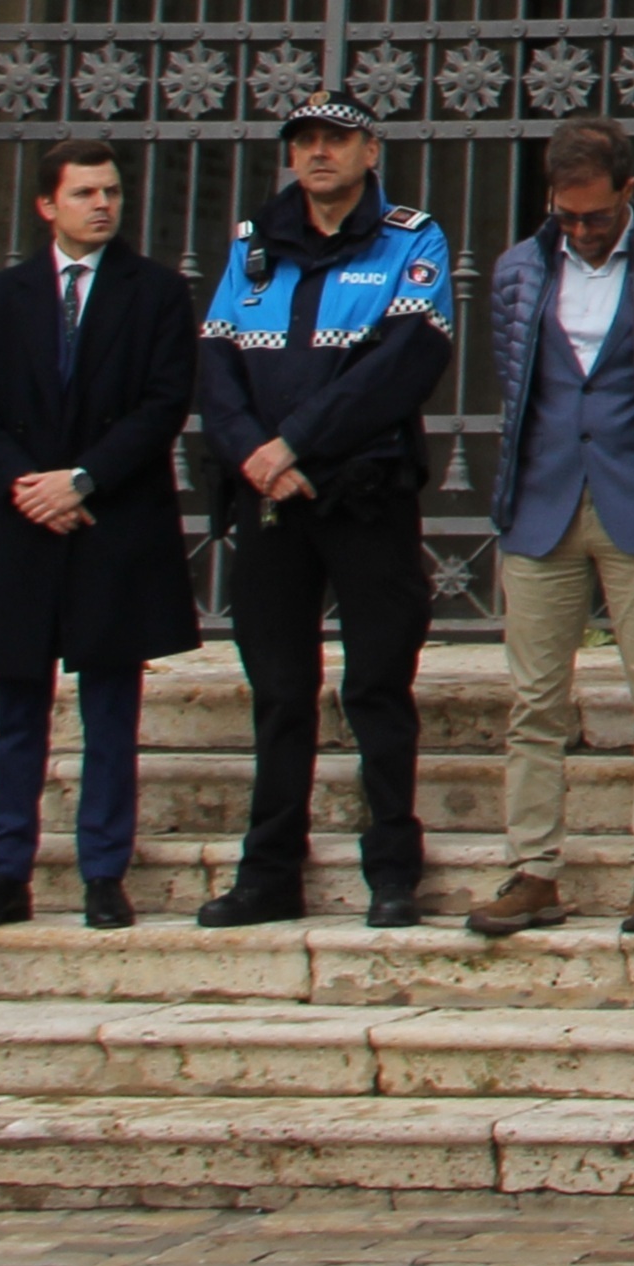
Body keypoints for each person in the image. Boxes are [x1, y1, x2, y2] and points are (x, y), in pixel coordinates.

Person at [464, 119, 634, 941]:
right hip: (542, 502)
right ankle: (533, 869)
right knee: (535, 700)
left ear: (628, 192)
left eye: (595, 215)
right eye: (565, 215)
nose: (580, 231)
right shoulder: (519, 271)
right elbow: (514, 380)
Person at [193, 89, 457, 930]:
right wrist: (255, 457)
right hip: (271, 501)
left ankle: (392, 871)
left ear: (369, 151)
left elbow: (404, 366)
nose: (319, 154)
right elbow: (217, 364)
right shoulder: (251, 247)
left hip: (365, 496)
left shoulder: (413, 241)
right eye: (304, 140)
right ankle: (268, 873)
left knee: (378, 687)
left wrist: (294, 444)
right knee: (278, 690)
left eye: (336, 140)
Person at [0, 140, 201, 936]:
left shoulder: (155, 292)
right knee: (19, 711)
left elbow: (163, 404)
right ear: (48, 205)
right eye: (86, 192)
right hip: (21, 528)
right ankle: (6, 873)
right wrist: (29, 484)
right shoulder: (1, 296)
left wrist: (80, 480)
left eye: (113, 191)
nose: (103, 205)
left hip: (112, 520)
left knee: (112, 708)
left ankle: (102, 873)